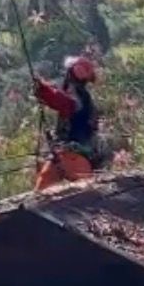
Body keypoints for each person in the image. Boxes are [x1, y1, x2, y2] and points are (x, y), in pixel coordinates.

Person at [32, 55, 101, 191]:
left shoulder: (78, 94)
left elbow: (65, 103)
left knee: (41, 195)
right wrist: (43, 89)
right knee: (89, 195)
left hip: (73, 154)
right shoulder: (82, 94)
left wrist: (43, 90)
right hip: (70, 154)